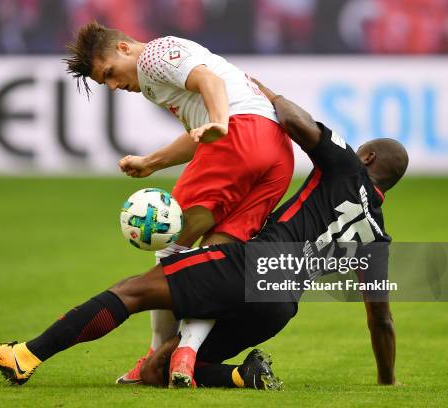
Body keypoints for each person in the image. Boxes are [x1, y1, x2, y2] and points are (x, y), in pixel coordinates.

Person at [0, 80, 408, 388]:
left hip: (250, 268)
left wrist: (261, 93)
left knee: (133, 291)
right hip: (279, 307)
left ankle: (24, 357)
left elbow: (295, 121)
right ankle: (241, 376)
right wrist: (386, 383)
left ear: (367, 155)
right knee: (160, 370)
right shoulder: (377, 237)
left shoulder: (348, 165)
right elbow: (381, 320)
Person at [64, 21, 294, 385]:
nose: (112, 85)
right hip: (277, 155)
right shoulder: (157, 82)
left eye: (109, 73)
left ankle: (155, 355)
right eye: (102, 82)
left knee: (171, 243)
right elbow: (199, 133)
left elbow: (210, 84)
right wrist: (152, 162)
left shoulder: (155, 54)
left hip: (239, 133)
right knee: (214, 262)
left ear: (124, 48)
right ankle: (184, 353)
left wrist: (220, 122)